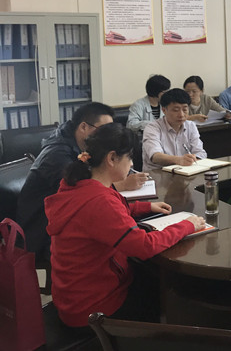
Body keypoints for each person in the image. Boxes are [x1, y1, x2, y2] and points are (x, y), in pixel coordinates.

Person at [45, 122, 205, 328]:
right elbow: (144, 246)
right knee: (169, 292)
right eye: (129, 158)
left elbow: (103, 216)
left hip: (73, 298)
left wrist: (145, 206)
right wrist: (187, 225)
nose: (131, 164)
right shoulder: (100, 201)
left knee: (149, 274)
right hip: (94, 310)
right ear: (112, 158)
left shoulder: (77, 184)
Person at [17, 102, 147, 260]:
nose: (108, 135)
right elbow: (79, 194)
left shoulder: (80, 145)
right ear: (84, 127)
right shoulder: (57, 155)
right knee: (124, 248)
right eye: (103, 129)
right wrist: (122, 184)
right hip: (42, 232)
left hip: (64, 222)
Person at [142, 88, 207, 171]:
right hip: (158, 174)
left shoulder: (190, 126)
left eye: (185, 109)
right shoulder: (152, 128)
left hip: (185, 172)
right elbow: (155, 156)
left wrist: (194, 158)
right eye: (176, 110)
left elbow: (200, 152)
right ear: (164, 110)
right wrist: (179, 160)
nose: (181, 114)